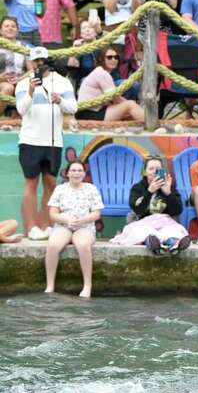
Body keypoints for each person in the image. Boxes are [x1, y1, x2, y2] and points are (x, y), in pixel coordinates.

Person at [16, 46, 76, 240]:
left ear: (47, 61)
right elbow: (21, 109)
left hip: (53, 141)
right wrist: (31, 91)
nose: (39, 64)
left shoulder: (62, 82)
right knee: (30, 183)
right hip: (30, 139)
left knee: (50, 183)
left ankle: (47, 226)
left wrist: (60, 101)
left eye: (42, 60)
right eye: (36, 61)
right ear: (31, 63)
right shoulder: (24, 83)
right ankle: (31, 228)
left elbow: (73, 107)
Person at [43, 160, 102, 298]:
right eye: (74, 170)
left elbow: (96, 213)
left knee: (83, 245)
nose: (77, 173)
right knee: (52, 246)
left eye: (80, 170)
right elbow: (53, 214)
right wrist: (67, 220)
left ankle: (87, 285)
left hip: (84, 226)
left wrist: (83, 220)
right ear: (67, 173)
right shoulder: (60, 189)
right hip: (63, 226)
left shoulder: (91, 189)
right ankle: (50, 285)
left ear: (84, 173)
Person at [112, 155, 188, 254]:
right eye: (151, 169)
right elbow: (137, 209)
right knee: (143, 232)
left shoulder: (169, 187)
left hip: (165, 222)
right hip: (143, 222)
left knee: (172, 232)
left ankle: (174, 244)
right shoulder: (138, 188)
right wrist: (149, 192)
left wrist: (168, 193)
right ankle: (153, 244)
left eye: (158, 169)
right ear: (145, 172)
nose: (154, 172)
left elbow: (177, 211)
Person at [75, 46, 144, 122]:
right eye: (109, 57)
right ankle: (151, 125)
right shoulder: (102, 73)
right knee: (130, 105)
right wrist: (132, 105)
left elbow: (114, 99)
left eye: (116, 57)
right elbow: (115, 98)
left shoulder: (101, 72)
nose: (113, 60)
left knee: (130, 110)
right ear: (102, 59)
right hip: (89, 114)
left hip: (93, 111)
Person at [0, 16, 28, 101]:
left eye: (13, 26)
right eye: (6, 26)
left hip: (19, 80)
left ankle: (18, 114)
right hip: (1, 81)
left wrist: (20, 79)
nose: (10, 28)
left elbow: (32, 70)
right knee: (8, 88)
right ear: (0, 30)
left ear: (17, 30)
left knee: (28, 87)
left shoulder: (24, 47)